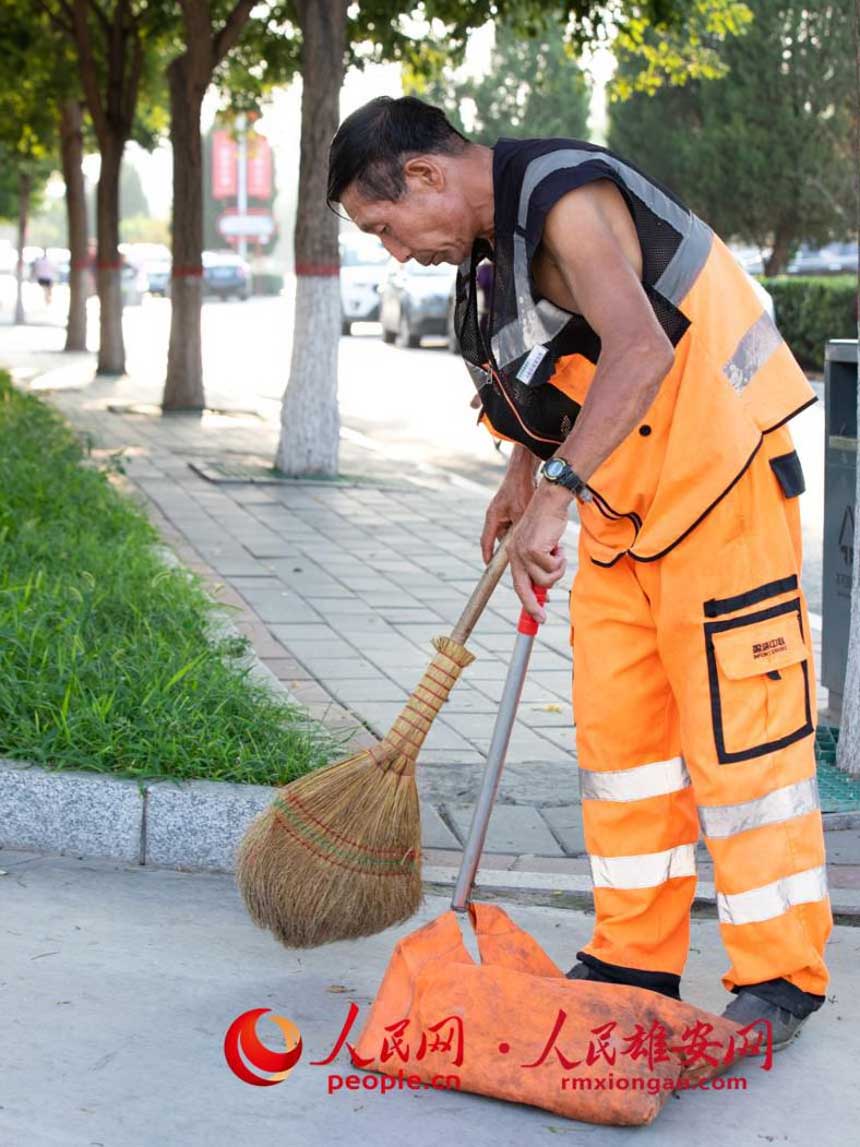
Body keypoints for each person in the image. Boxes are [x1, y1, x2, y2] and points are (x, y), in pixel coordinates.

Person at [326, 96, 832, 1051]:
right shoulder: (494, 252)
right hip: (625, 508)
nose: (394, 253)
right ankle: (633, 953)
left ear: (427, 176)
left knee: (743, 749)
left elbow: (640, 345)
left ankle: (779, 975)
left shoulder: (564, 197)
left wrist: (555, 493)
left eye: (385, 226)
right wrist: (522, 476)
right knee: (623, 746)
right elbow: (566, 372)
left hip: (719, 492)